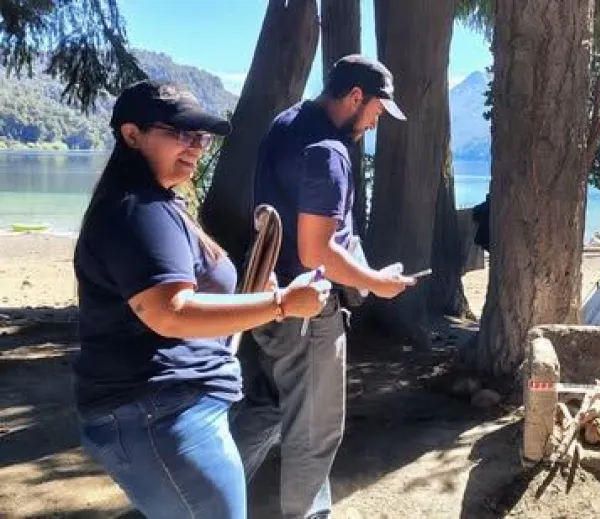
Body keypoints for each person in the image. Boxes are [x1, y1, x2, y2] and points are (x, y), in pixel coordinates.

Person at [72, 80, 332, 519]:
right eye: (179, 133)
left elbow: (184, 297)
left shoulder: (159, 204)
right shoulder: (138, 210)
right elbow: (168, 313)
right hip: (159, 414)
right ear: (131, 135)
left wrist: (256, 294)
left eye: (200, 137)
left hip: (171, 411)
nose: (194, 146)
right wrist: (283, 305)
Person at [231, 55, 415, 518]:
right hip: (307, 312)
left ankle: (201, 495)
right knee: (314, 434)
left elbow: (304, 230)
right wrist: (376, 283)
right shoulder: (328, 151)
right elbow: (316, 251)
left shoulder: (288, 122)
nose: (375, 123)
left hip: (269, 300)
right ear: (355, 97)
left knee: (269, 408)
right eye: (376, 111)